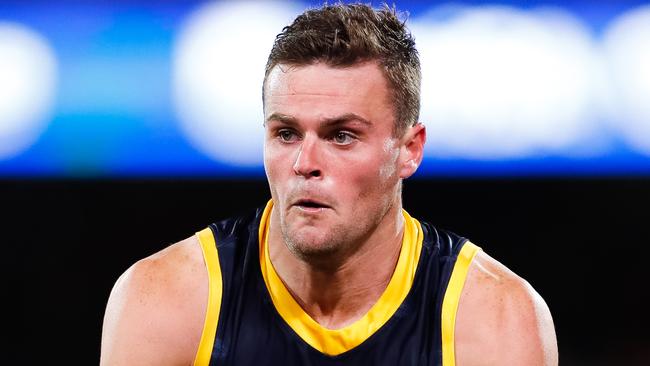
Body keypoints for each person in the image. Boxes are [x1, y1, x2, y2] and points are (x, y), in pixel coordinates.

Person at [100, 3, 558, 365]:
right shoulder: (165, 301)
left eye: (341, 135)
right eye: (286, 133)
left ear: (409, 149)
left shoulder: (494, 319)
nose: (305, 163)